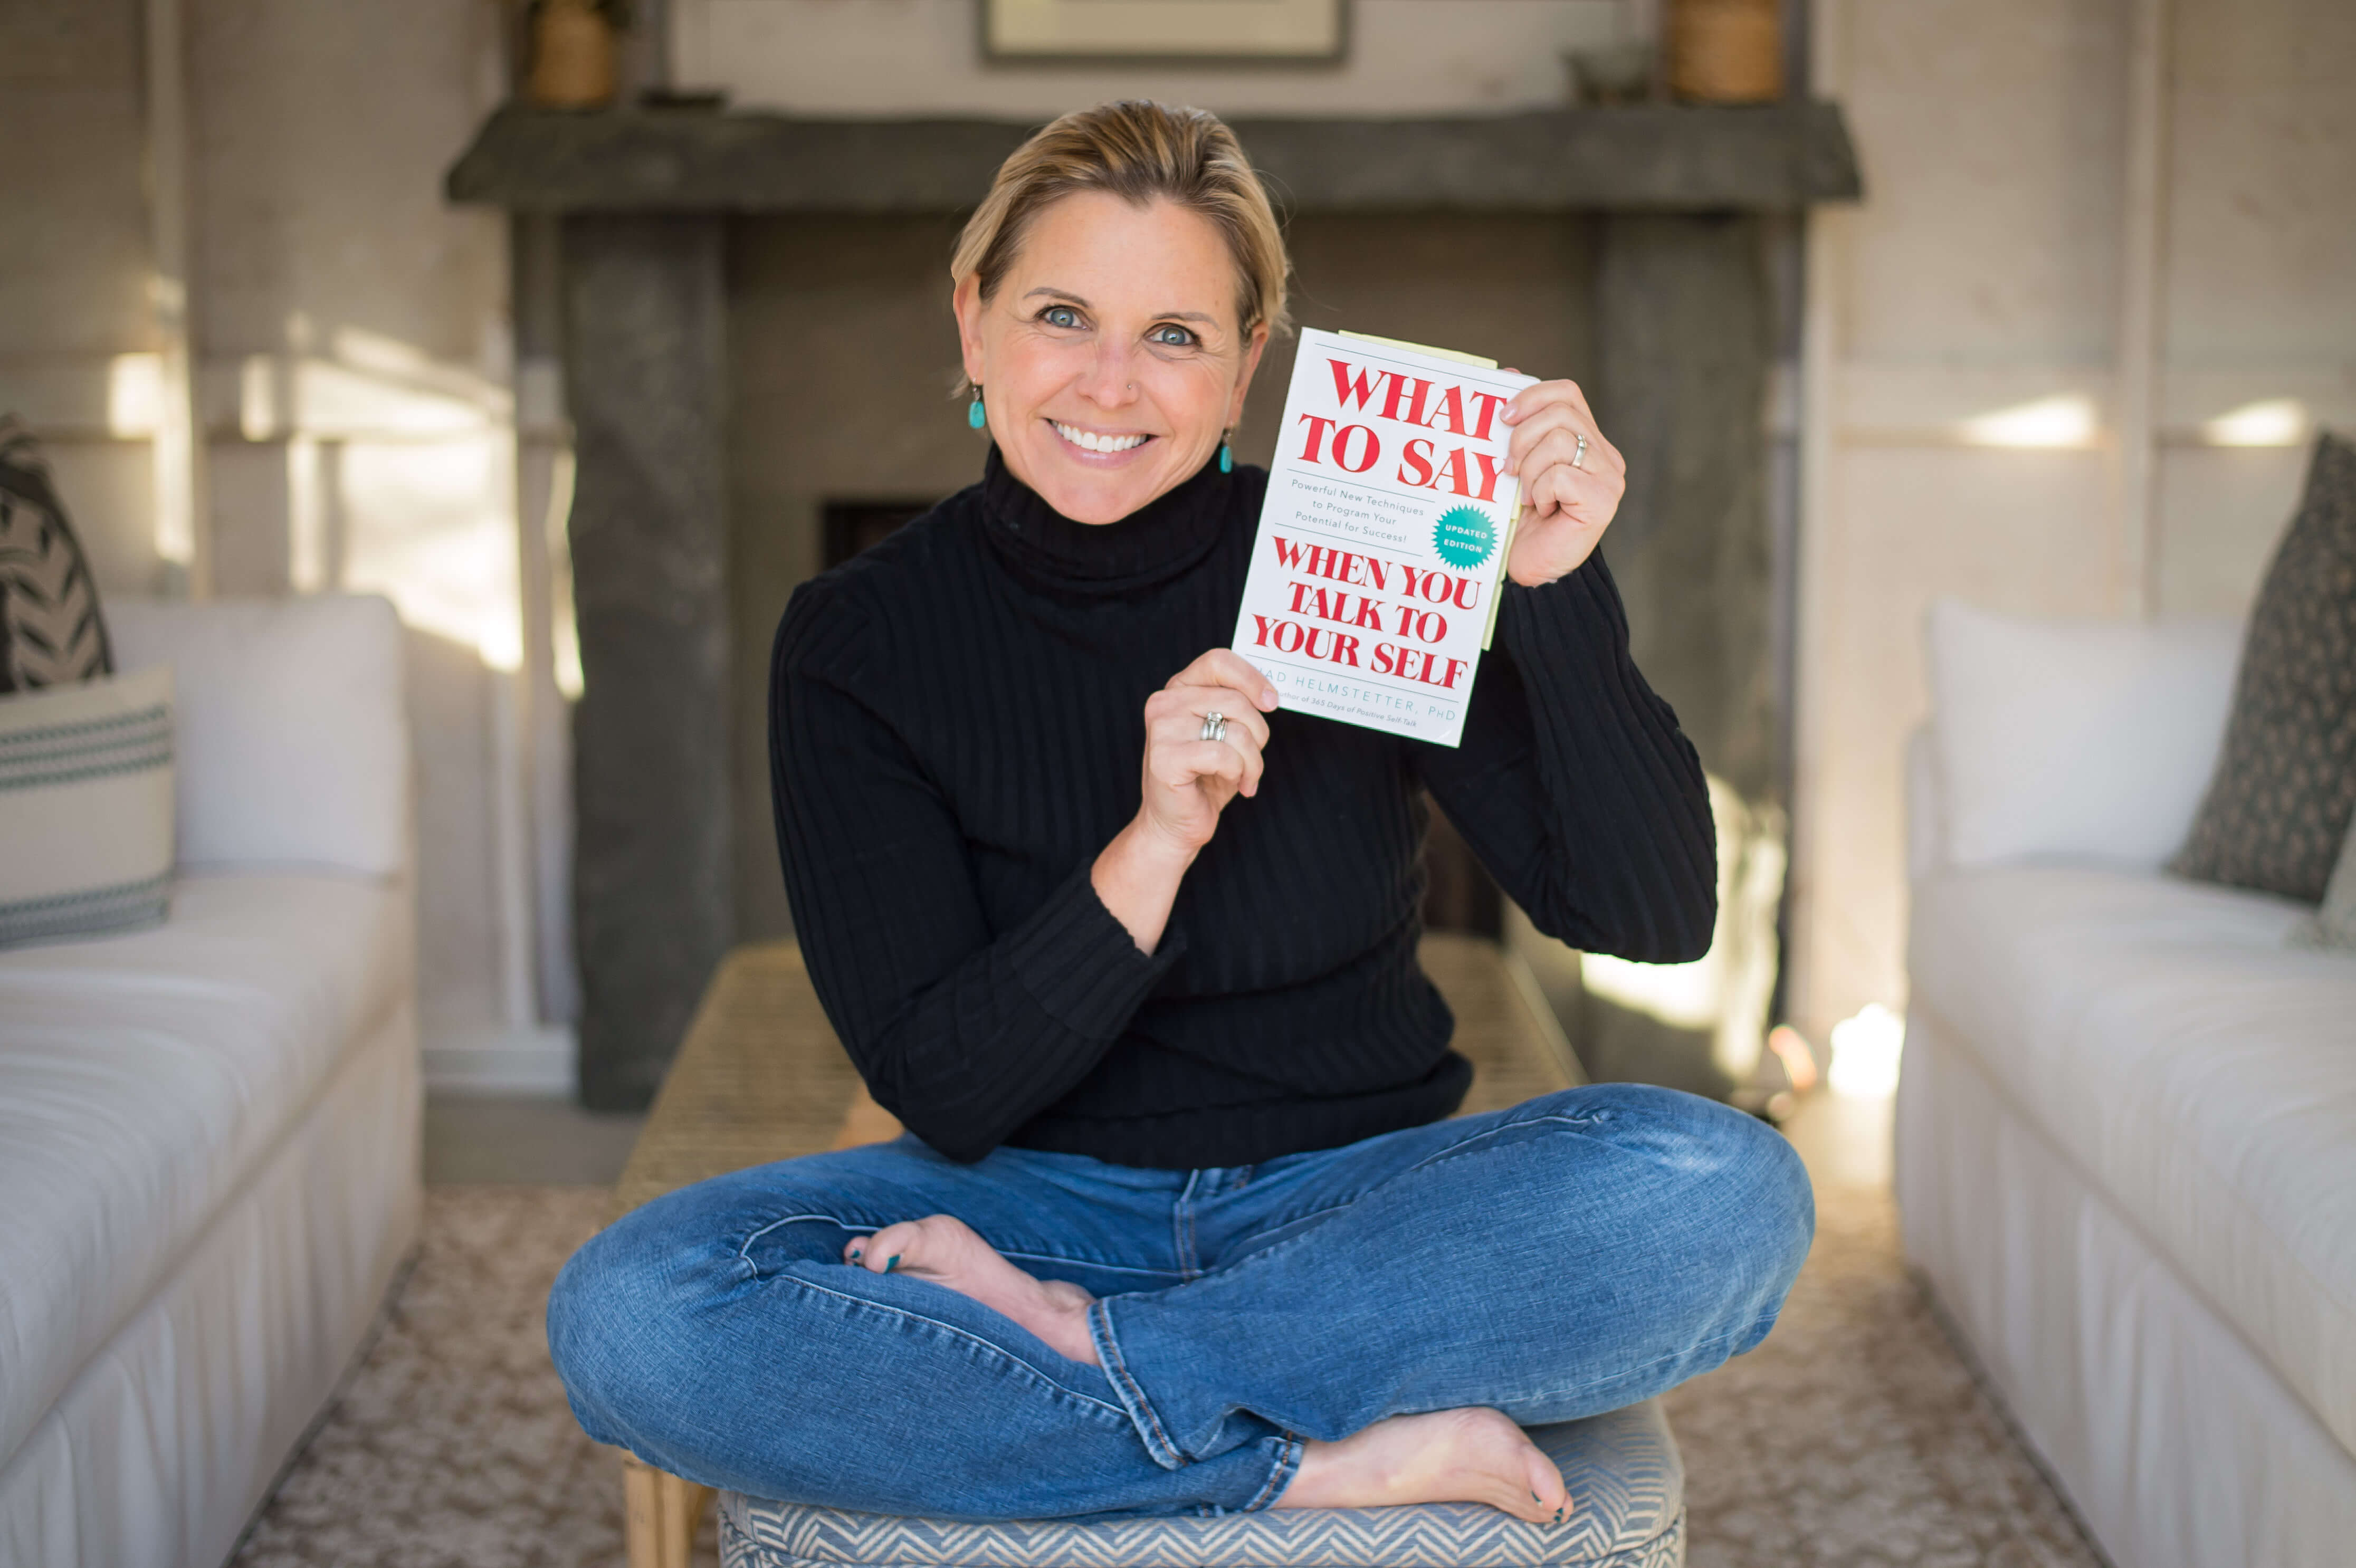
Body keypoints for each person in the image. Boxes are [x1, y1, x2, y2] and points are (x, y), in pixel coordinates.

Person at [547, 99, 1812, 1528]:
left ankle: (1096, 1361)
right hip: (1024, 1206)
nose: (1109, 383)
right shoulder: (861, 633)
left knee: (1725, 1184)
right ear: (972, 325)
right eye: (1060, 315)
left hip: (1358, 1209)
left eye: (1173, 335)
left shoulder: (1352, 552)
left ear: (1242, 368)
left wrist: (1556, 592)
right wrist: (1152, 844)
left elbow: (1648, 913)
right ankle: (1310, 1457)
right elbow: (944, 1086)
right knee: (636, 1313)